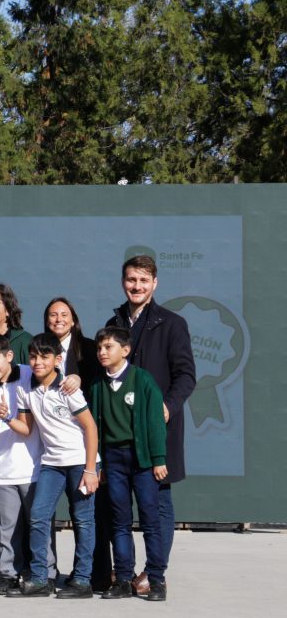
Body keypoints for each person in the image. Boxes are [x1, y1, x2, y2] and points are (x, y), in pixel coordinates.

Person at [105, 254, 195, 596]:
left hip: (158, 431)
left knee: (158, 504)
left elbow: (186, 375)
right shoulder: (114, 322)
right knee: (120, 509)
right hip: (121, 434)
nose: (137, 286)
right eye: (132, 279)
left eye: (144, 280)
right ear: (123, 282)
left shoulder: (172, 323)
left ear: (155, 284)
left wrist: (167, 408)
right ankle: (123, 572)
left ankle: (155, 572)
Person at [0, 332, 52, 596]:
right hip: (2, 469)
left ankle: (44, 573)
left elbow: (56, 376)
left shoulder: (28, 373)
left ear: (9, 356)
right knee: (6, 529)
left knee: (38, 525)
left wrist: (75, 378)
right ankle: (7, 574)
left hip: (33, 467)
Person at [13, 332, 98, 599]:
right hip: (51, 463)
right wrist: (5, 419)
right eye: (34, 356)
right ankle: (40, 579)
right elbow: (26, 428)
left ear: (58, 360)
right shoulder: (26, 390)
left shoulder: (68, 389)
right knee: (38, 516)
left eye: (45, 356)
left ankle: (82, 581)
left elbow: (90, 427)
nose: (38, 362)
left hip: (80, 464)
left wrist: (90, 469)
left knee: (83, 520)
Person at [91, 326, 170, 601]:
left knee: (150, 520)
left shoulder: (143, 380)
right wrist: (98, 464)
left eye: (108, 347)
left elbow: (155, 421)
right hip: (113, 461)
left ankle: (157, 579)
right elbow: (94, 427)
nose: (102, 352)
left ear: (125, 350)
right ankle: (123, 578)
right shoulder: (97, 385)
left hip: (143, 460)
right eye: (99, 348)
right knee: (120, 521)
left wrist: (158, 459)